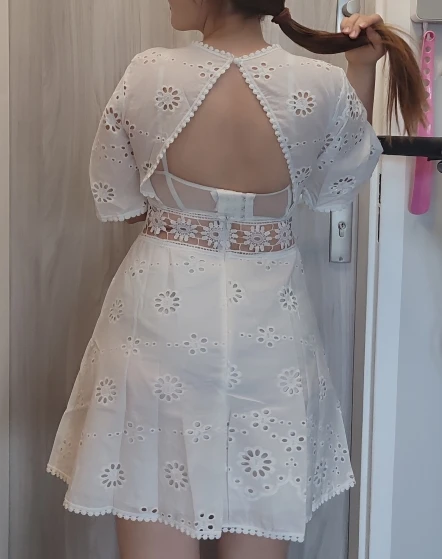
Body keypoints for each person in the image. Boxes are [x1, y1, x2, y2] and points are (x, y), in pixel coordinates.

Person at [47, 1, 426, 558]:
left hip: (160, 326)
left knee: (153, 514)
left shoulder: (149, 72)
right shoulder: (319, 84)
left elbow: (122, 201)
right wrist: (360, 71)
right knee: (260, 514)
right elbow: (335, 184)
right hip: (268, 334)